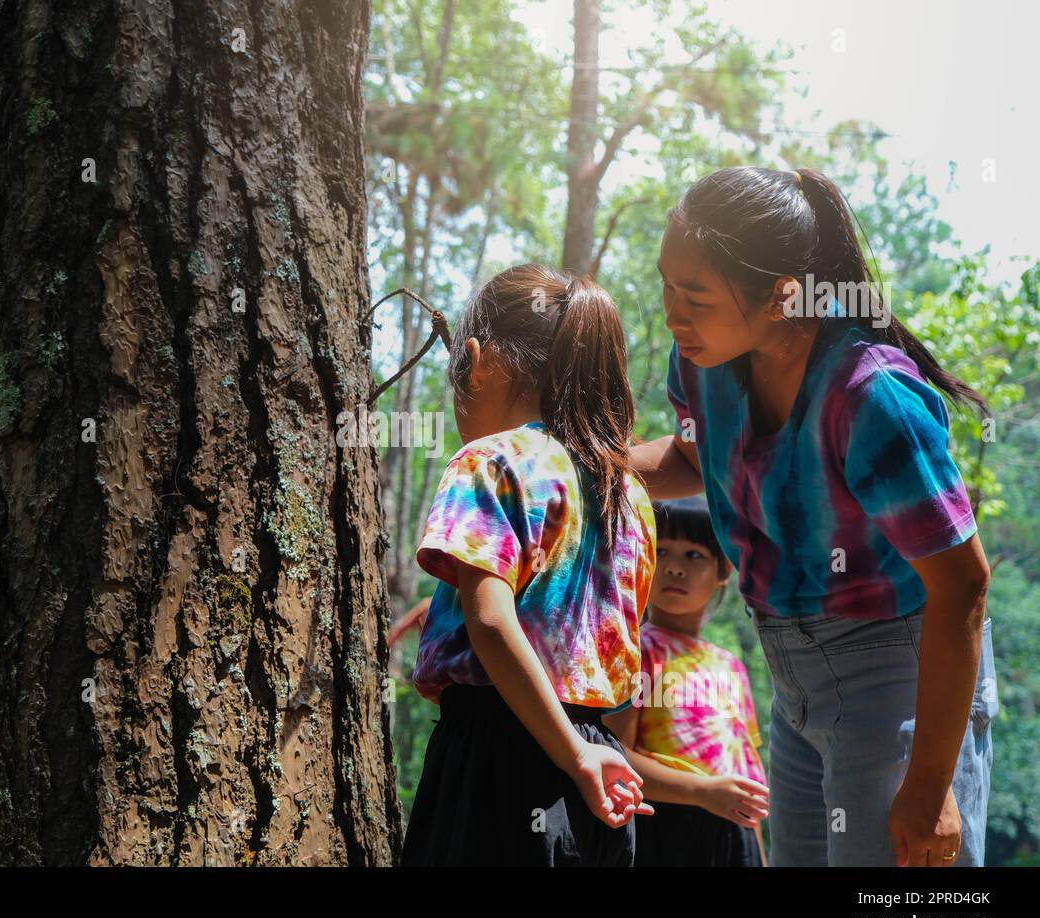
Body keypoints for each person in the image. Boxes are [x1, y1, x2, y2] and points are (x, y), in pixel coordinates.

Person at [631, 166, 996, 866]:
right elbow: (693, 461)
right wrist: (590, 462)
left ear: (780, 296)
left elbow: (962, 588)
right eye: (666, 286)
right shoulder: (706, 363)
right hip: (792, 681)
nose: (673, 314)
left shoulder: (870, 398)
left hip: (900, 676)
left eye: (696, 297)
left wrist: (928, 785)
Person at [393, 263, 657, 865]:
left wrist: (571, 753)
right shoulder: (628, 494)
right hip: (596, 768)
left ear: (479, 361)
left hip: (498, 754)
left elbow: (490, 622)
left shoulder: (490, 461)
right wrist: (581, 753)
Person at [603, 495, 769, 866]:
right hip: (662, 827)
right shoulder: (634, 651)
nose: (675, 568)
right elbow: (615, 757)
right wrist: (700, 791)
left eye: (694, 555)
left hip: (735, 832)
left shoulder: (730, 666)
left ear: (723, 571)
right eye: (660, 552)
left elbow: (744, 771)